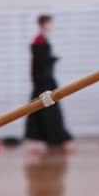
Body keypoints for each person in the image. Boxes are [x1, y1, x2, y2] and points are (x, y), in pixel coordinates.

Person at [24, 14, 74, 153]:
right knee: (43, 111)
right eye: (50, 23)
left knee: (50, 111)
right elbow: (39, 64)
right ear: (44, 24)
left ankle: (55, 138)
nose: (52, 25)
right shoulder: (39, 41)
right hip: (43, 83)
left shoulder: (43, 40)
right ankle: (45, 139)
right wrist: (52, 59)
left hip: (46, 80)